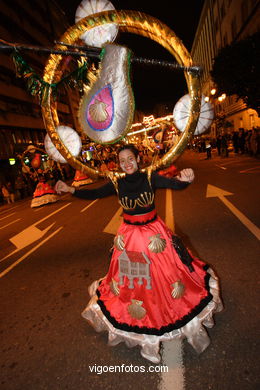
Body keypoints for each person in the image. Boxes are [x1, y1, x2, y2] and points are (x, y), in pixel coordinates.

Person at [55, 144, 222, 363]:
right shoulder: (117, 182)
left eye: (130, 158)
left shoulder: (150, 177)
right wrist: (71, 190)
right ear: (118, 163)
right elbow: (94, 193)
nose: (126, 164)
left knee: (167, 277)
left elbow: (175, 185)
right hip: (129, 238)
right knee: (134, 281)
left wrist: (186, 179)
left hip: (154, 234)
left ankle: (168, 313)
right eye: (122, 160)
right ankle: (143, 323)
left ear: (137, 158)